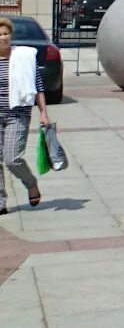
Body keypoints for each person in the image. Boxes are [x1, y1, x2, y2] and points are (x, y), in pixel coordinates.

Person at [0, 17, 50, 214]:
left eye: (5, 33)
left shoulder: (24, 58)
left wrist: (44, 112)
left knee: (12, 159)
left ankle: (31, 183)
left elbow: (38, 86)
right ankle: (1, 202)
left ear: (11, 35)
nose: (3, 37)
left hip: (17, 114)